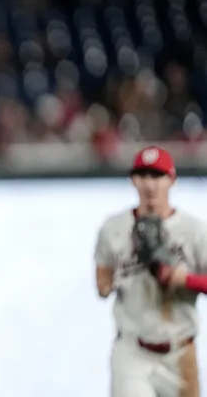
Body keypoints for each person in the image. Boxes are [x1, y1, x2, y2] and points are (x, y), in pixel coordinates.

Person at [94, 145, 207, 397]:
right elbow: (102, 276)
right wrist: (105, 283)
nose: (150, 184)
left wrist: (185, 279)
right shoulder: (113, 229)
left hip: (180, 352)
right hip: (133, 351)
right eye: (143, 175)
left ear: (171, 180)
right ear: (132, 180)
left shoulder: (195, 231)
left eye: (157, 176)